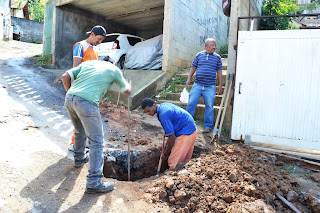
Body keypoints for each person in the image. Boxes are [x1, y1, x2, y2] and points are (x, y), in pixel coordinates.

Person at [62, 59, 131, 194]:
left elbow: (65, 76)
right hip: (87, 102)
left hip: (70, 98)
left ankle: (79, 158)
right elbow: (126, 90)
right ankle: (94, 182)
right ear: (113, 63)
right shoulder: (114, 69)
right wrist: (129, 87)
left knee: (80, 130)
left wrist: (72, 93)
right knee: (97, 141)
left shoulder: (88, 64)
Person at [69, 25, 107, 151]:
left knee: (86, 117)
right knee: (81, 117)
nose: (100, 42)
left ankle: (82, 143)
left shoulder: (95, 49)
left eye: (101, 40)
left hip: (90, 88)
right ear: (92, 34)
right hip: (81, 88)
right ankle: (75, 144)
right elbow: (76, 68)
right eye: (99, 39)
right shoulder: (80, 46)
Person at [141, 98, 197, 170]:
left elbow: (172, 138)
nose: (148, 114)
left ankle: (171, 178)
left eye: (149, 111)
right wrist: (168, 132)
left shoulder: (163, 114)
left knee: (173, 163)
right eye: (146, 112)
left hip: (186, 132)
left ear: (154, 105)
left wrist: (166, 154)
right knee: (183, 162)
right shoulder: (162, 106)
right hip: (190, 128)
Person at [186, 38, 223, 133]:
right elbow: (193, 67)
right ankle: (187, 123)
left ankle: (208, 126)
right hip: (197, 84)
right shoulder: (199, 55)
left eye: (215, 45)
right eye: (212, 45)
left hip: (210, 86)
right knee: (191, 103)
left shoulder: (217, 57)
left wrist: (219, 85)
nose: (214, 47)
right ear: (206, 46)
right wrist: (189, 78)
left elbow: (219, 71)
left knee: (209, 106)